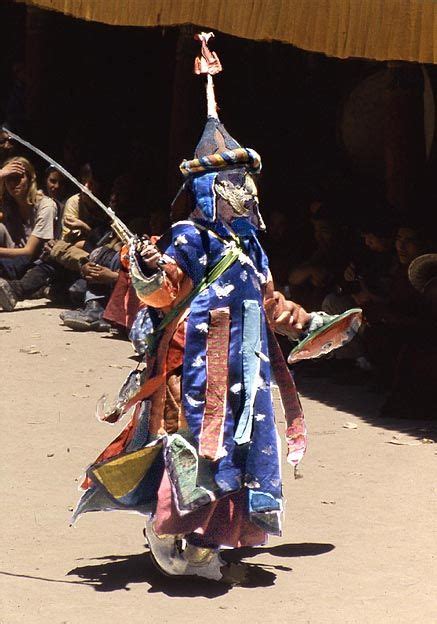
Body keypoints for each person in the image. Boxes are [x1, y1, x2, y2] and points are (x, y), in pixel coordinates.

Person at [73, 34, 360, 584]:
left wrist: (306, 323)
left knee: (235, 451)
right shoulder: (188, 235)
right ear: (210, 189)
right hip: (195, 364)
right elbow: (163, 291)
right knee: (192, 449)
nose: (243, 193)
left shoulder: (253, 246)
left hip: (244, 371)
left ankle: (212, 540)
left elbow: (270, 302)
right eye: (232, 184)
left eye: (245, 184)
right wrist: (151, 267)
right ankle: (172, 530)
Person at [0, 156, 57, 281]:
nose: (13, 183)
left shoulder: (45, 205)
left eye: (18, 178)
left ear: (30, 178)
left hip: (34, 263)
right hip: (9, 258)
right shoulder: (8, 204)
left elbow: (29, 251)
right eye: (8, 179)